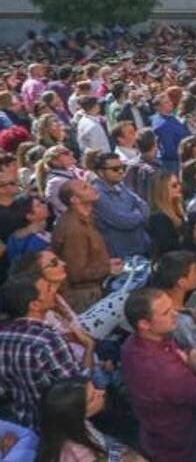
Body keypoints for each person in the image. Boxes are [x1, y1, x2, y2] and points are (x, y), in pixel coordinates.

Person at [121, 287, 196, 462]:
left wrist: (188, 355)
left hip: (155, 436)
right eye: (166, 312)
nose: (175, 314)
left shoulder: (133, 343)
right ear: (144, 324)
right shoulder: (161, 368)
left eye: (172, 307)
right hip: (183, 445)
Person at [0, 279, 84, 428]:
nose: (54, 291)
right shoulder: (48, 339)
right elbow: (78, 389)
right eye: (47, 290)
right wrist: (89, 348)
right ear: (34, 305)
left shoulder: (3, 336)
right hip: (61, 424)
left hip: (23, 423)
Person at [51, 180, 121, 312]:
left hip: (92, 290)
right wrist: (107, 269)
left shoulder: (84, 219)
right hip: (84, 296)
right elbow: (75, 273)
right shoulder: (74, 229)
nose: (91, 188)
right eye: (85, 188)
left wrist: (106, 262)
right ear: (75, 200)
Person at [35, 378, 143, 462]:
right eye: (92, 398)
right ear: (76, 414)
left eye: (95, 388)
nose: (102, 392)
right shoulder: (78, 453)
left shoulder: (65, 429)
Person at [90, 150, 150, 258]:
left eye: (122, 167)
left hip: (139, 247)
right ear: (100, 172)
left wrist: (134, 213)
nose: (121, 171)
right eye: (115, 169)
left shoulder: (121, 186)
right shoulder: (97, 194)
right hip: (121, 255)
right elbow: (123, 221)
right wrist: (138, 213)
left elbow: (144, 206)